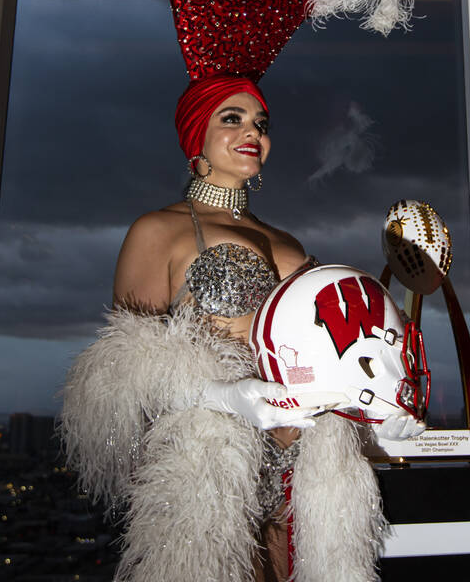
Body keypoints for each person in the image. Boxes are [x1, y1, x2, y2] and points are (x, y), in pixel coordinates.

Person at [58, 75, 396, 582]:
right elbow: (122, 370)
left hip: (306, 463)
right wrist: (220, 394)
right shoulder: (158, 230)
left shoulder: (285, 238)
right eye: (232, 119)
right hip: (212, 468)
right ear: (197, 136)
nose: (252, 132)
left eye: (261, 122)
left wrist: (379, 404)